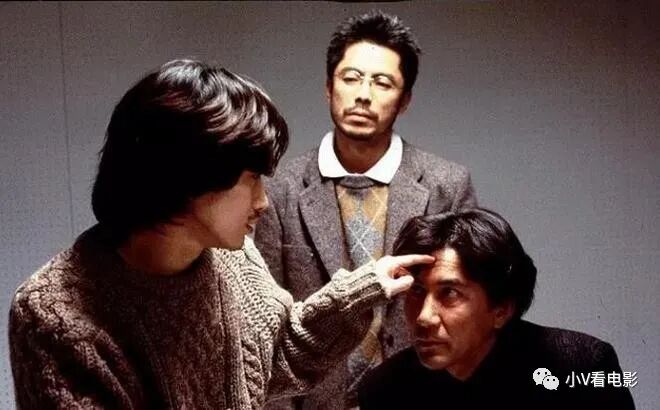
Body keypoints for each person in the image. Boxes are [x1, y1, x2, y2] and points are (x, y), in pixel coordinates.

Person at [8, 59, 435, 409]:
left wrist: (361, 291)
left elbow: (274, 355)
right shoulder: (53, 312)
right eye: (251, 178)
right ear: (188, 178)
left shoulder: (232, 256)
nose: (263, 201)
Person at [255, 11, 476, 408]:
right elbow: (266, 324)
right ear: (328, 88)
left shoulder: (446, 185)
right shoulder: (280, 188)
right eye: (351, 78)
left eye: (382, 82)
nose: (363, 94)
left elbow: (466, 311)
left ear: (404, 100)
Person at [358, 208, 636, 409]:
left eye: (450, 293)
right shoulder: (384, 389)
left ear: (501, 309)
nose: (424, 317)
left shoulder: (581, 366)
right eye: (417, 291)